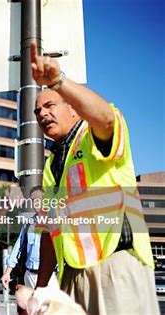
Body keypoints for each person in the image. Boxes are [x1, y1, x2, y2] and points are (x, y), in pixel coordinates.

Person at [30, 42, 159, 314]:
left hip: (116, 266)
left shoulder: (93, 135)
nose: (42, 114)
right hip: (71, 278)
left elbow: (108, 119)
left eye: (49, 105)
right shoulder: (52, 163)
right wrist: (41, 288)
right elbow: (48, 231)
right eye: (37, 111)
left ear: (74, 108)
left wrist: (59, 81)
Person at [1, 186, 59, 290]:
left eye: (37, 199)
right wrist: (7, 272)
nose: (34, 203)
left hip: (51, 276)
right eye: (32, 200)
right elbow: (17, 248)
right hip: (30, 275)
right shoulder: (28, 224)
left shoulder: (55, 222)